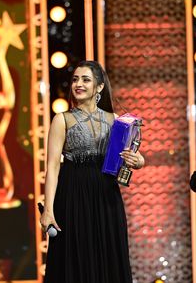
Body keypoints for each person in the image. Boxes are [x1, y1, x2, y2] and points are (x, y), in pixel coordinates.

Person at [40, 60, 145, 283]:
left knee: (108, 255)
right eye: (76, 79)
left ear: (99, 87)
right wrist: (48, 209)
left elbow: (131, 155)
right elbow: (52, 167)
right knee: (75, 257)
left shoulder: (116, 121)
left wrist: (139, 161)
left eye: (86, 79)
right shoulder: (62, 120)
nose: (78, 84)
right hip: (72, 195)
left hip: (106, 196)